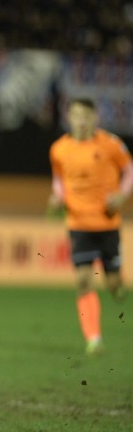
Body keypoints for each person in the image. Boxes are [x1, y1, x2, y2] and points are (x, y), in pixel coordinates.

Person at [48, 97, 132, 357]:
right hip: (78, 223)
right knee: (84, 281)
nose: (81, 121)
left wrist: (122, 196)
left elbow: (130, 171)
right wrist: (57, 196)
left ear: (95, 118)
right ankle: (93, 338)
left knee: (114, 284)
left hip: (107, 222)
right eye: (76, 115)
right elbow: (59, 179)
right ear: (69, 118)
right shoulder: (59, 149)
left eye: (86, 116)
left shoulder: (111, 144)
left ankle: (119, 286)